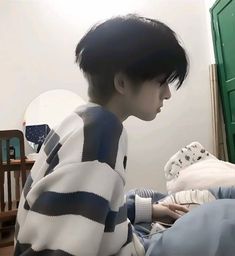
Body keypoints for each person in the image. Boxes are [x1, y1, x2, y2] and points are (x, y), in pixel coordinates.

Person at [14, 14, 189, 256]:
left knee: (151, 199)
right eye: (161, 82)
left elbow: (88, 207)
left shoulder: (79, 120)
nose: (167, 94)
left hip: (120, 233)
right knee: (215, 222)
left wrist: (150, 211)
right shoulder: (102, 133)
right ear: (122, 83)